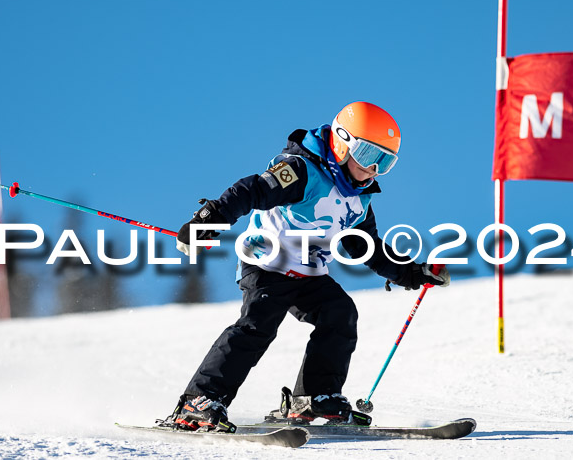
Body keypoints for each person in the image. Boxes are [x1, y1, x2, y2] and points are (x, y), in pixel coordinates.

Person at [168, 102, 450, 432]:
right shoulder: (302, 171)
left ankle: (315, 398)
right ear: (343, 144)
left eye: (385, 163)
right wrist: (210, 218)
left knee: (340, 313)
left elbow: (365, 246)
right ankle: (198, 402)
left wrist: (410, 273)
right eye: (370, 155)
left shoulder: (359, 198)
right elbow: (252, 191)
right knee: (257, 325)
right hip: (267, 265)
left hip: (309, 274)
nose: (374, 169)